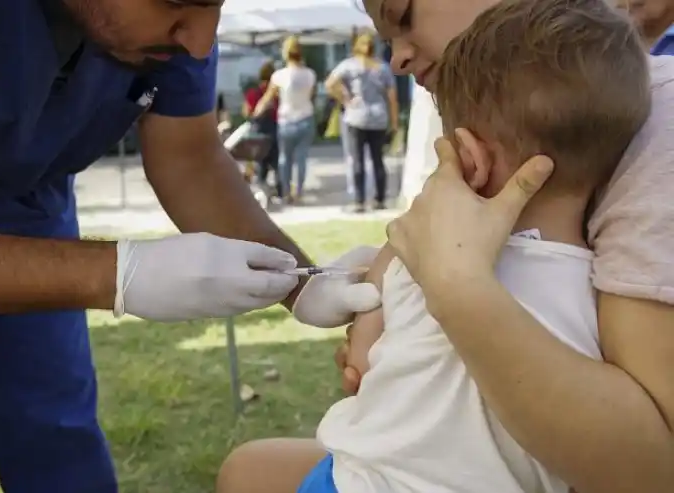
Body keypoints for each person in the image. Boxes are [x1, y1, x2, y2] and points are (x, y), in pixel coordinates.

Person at [0, 0, 372, 491]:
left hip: (20, 189)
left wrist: (302, 283)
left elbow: (190, 158)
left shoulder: (171, 30)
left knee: (57, 425)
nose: (199, 43)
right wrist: (119, 272)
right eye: (176, 2)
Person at [216, 0, 674, 492]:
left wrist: (432, 290)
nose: (397, 59)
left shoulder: (423, 253)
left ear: (471, 159)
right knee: (248, 470)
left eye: (404, 15)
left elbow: (365, 353)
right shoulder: (595, 298)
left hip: (364, 482)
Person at [325, 33, 399, 212]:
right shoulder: (382, 68)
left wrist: (345, 99)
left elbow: (329, 84)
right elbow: (392, 97)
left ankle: (359, 201)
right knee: (378, 160)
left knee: (357, 160)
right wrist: (395, 123)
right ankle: (379, 199)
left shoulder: (349, 65)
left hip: (356, 116)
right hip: (378, 117)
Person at [253, 35, 317, 205]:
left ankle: (286, 192)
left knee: (284, 159)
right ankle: (299, 191)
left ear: (285, 53)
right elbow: (311, 96)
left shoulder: (279, 76)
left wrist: (257, 111)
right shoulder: (310, 74)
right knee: (302, 158)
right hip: (306, 118)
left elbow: (268, 98)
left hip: (286, 120)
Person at [243, 60, 282, 200]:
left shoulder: (252, 93)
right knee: (277, 161)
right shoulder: (276, 93)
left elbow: (247, 112)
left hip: (258, 131)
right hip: (274, 128)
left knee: (261, 161)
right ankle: (280, 190)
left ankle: (262, 190)